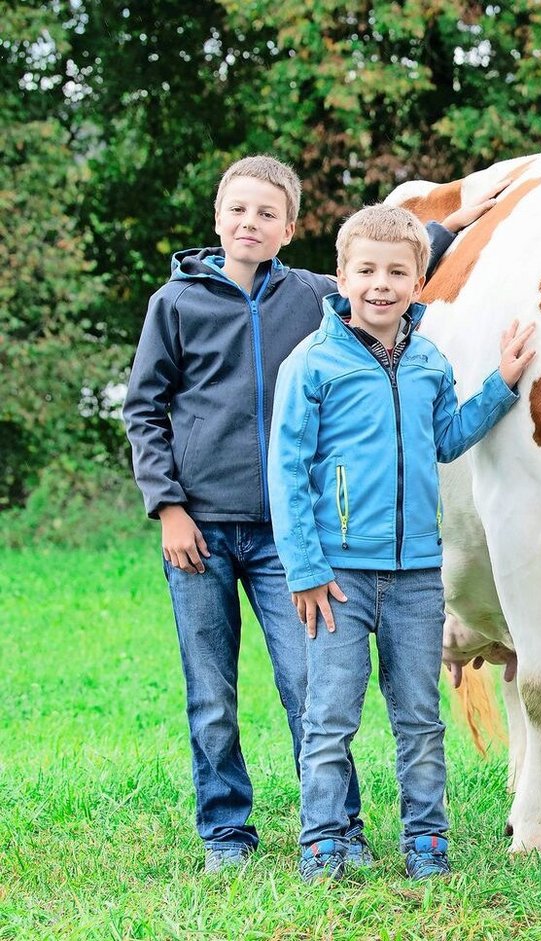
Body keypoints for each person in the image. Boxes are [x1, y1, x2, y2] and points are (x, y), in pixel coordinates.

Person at [122, 156, 495, 874]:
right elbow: (144, 409)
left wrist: (468, 210)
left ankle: (340, 830)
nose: (250, 223)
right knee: (212, 696)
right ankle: (226, 832)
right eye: (238, 210)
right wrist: (168, 505)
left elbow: (387, 261)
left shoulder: (315, 295)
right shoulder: (176, 303)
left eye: (267, 214)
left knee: (312, 688)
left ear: (290, 228)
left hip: (292, 542)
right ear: (217, 218)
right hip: (198, 528)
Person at [268, 204, 535, 882]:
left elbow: (447, 438)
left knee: (419, 718)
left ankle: (426, 842)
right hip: (336, 579)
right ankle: (323, 841)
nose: (380, 284)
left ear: (420, 283)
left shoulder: (429, 363)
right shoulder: (312, 364)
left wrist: (501, 385)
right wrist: (303, 567)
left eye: (397, 272)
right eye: (366, 270)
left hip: (418, 573)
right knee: (329, 717)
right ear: (340, 277)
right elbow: (287, 471)